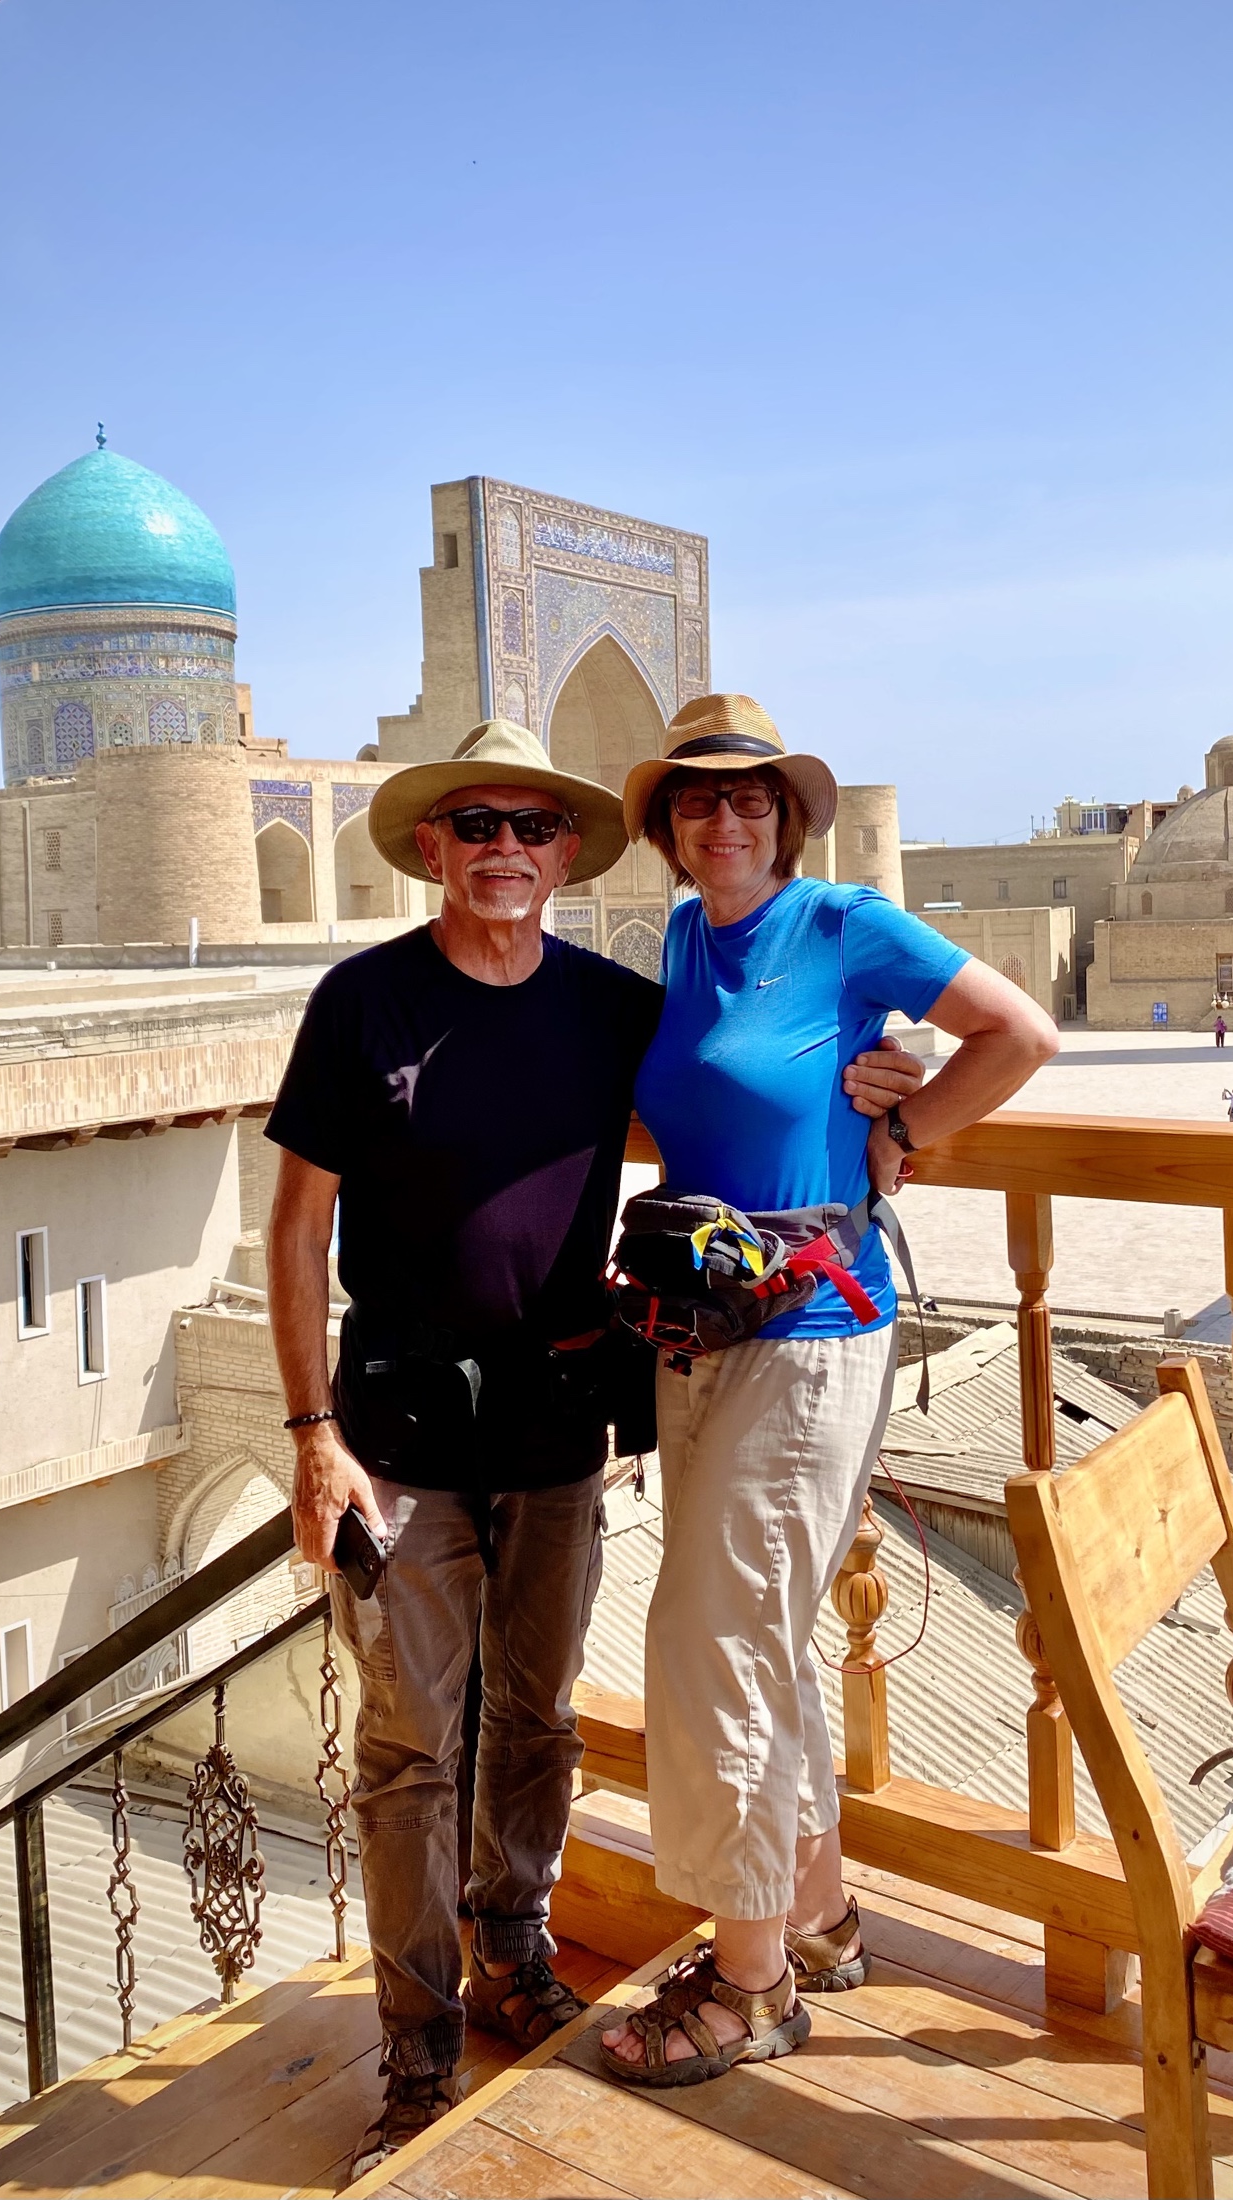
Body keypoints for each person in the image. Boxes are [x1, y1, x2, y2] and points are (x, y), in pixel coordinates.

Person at [265, 717, 922, 2180]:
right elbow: (299, 1227)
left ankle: (515, 1958)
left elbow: (743, 1066)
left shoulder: (613, 1005)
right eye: (476, 825)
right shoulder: (364, 1003)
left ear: (568, 853)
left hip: (559, 1420)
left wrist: (887, 1088)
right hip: (403, 1433)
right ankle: (418, 2056)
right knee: (409, 1750)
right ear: (430, 846)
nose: (504, 849)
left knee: (538, 1717)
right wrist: (313, 1435)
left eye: (532, 827)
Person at [599, 694, 1057, 2089]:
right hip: (703, 1328)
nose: (722, 819)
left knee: (712, 1643)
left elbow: (1020, 1033)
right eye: (695, 799)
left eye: (749, 797)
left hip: (810, 1332)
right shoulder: (685, 938)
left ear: (787, 817)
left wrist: (907, 1120)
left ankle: (750, 1987)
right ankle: (816, 1916)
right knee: (761, 1636)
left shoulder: (845, 925)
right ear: (668, 827)